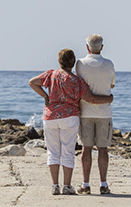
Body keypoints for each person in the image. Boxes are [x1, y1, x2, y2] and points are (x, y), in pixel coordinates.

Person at [28, 48, 113, 195]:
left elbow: (33, 82)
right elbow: (91, 98)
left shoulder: (51, 74)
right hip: (69, 117)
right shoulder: (76, 81)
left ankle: (55, 186)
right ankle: (67, 186)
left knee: (53, 152)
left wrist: (45, 96)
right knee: (67, 152)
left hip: (50, 117)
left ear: (59, 61)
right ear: (73, 63)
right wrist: (109, 99)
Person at [75, 34, 115, 195]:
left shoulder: (80, 64)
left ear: (87, 47)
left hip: (85, 112)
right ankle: (103, 185)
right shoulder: (109, 64)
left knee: (86, 149)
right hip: (104, 112)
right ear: (102, 47)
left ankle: (85, 184)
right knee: (103, 150)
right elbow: (112, 85)